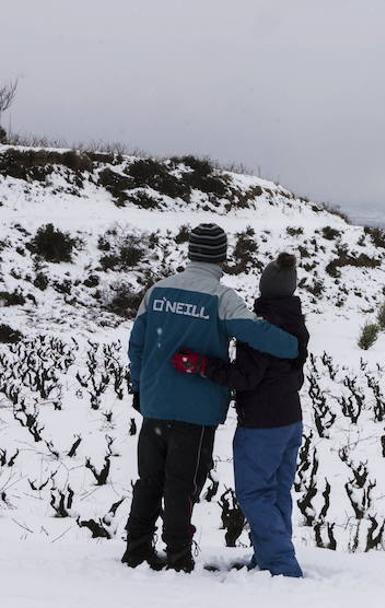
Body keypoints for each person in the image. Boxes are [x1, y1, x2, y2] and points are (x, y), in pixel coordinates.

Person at [123, 224, 299, 573]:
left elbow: (137, 346)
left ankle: (137, 548)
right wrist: (292, 345)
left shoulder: (156, 291)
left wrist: (140, 386)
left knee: (149, 480)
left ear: (190, 253)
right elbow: (266, 337)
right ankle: (177, 555)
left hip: (155, 403)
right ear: (222, 256)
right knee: (182, 484)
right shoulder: (223, 299)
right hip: (197, 409)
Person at [171, 252, 308, 578]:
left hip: (262, 423)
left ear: (264, 288)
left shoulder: (260, 328)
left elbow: (245, 377)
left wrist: (203, 366)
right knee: (277, 492)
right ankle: (269, 557)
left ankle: (281, 565)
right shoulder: (296, 322)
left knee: (254, 493)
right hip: (291, 419)